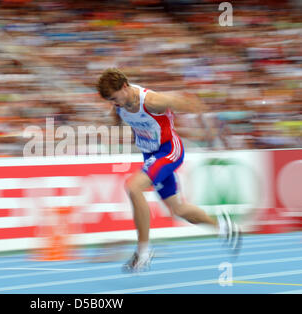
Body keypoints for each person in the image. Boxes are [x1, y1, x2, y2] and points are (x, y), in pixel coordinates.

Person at [96, 68, 241, 273]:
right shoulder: (118, 105)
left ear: (124, 87)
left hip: (169, 150)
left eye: (114, 97)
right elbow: (119, 116)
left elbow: (188, 102)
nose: (114, 103)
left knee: (133, 188)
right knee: (178, 209)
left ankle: (143, 252)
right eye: (110, 100)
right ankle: (223, 226)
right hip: (150, 155)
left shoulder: (152, 101)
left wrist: (210, 133)